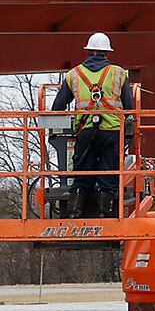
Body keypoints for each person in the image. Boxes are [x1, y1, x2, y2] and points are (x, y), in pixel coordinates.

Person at [51, 32, 131, 218]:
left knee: (83, 170)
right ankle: (104, 211)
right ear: (107, 53)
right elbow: (129, 106)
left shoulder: (74, 74)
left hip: (85, 132)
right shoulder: (118, 73)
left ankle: (74, 210)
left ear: (88, 51)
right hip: (112, 132)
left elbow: (58, 106)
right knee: (109, 170)